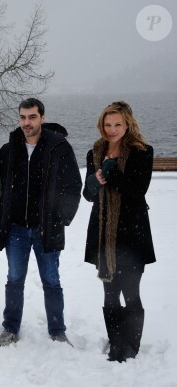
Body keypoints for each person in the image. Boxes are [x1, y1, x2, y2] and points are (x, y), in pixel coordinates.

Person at [0, 98, 82, 346]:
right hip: (16, 229)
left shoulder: (59, 147)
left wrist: (62, 217)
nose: (26, 122)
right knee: (14, 279)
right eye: (22, 117)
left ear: (42, 117)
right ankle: (10, 328)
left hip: (47, 228)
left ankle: (57, 330)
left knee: (51, 280)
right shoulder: (8, 150)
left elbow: (73, 185)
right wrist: (3, 218)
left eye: (32, 117)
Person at [83, 101, 155, 362]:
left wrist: (111, 173)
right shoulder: (96, 151)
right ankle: (115, 345)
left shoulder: (141, 152)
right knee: (110, 292)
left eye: (117, 124)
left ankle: (131, 346)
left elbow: (137, 192)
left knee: (131, 292)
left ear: (127, 125)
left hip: (131, 233)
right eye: (107, 124)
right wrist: (94, 181)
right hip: (103, 233)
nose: (111, 129)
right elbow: (88, 194)